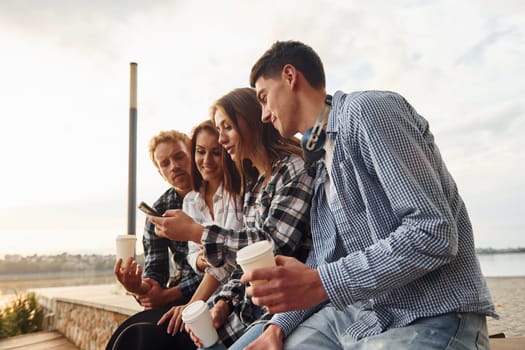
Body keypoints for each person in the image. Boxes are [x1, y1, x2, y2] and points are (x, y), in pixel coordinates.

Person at [228, 40, 498, 350]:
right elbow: (325, 258)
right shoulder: (320, 159)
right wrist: (280, 324)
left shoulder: (367, 111)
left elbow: (434, 233)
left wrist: (322, 282)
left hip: (434, 313)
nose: (263, 115)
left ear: (290, 76)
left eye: (264, 98)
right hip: (365, 315)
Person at [147, 87, 314, 348]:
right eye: (218, 129)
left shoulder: (293, 169)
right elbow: (242, 262)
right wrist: (224, 302)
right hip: (245, 304)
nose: (222, 140)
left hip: (279, 308)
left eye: (227, 128)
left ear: (249, 122)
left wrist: (197, 232)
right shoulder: (255, 185)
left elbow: (270, 246)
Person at [106, 130, 202, 350]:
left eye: (179, 157)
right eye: (165, 163)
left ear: (193, 154)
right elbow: (155, 274)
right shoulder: (157, 213)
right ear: (160, 172)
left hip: (213, 293)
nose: (174, 167)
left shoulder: (218, 193)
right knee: (129, 335)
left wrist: (171, 293)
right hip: (179, 299)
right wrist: (137, 286)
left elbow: (223, 263)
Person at [156, 120, 244, 339]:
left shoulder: (238, 193)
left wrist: (192, 305)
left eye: (215, 152)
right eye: (200, 152)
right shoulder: (192, 201)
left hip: (232, 293)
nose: (206, 161)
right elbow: (193, 254)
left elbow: (227, 262)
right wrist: (201, 261)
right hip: (210, 293)